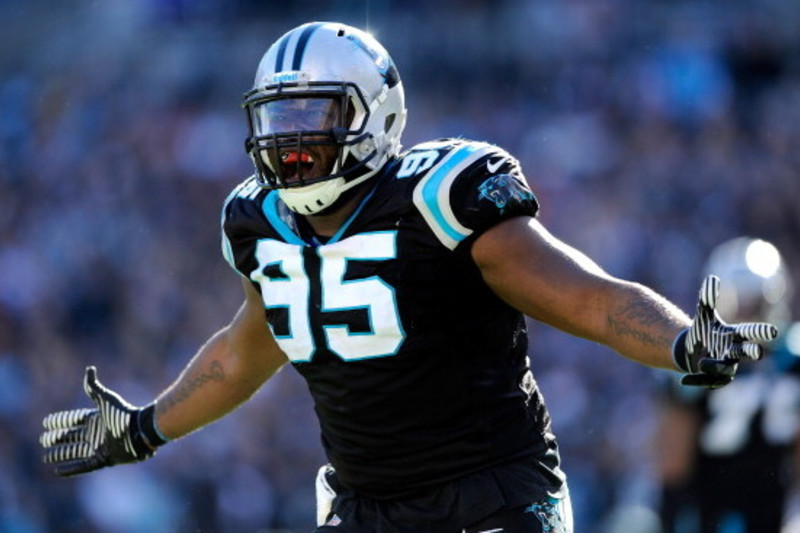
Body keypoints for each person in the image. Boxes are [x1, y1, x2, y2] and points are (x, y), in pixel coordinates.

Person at [40, 22, 778, 533]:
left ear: (371, 114)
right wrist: (142, 427)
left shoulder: (439, 198)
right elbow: (243, 352)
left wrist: (685, 344)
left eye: (312, 114)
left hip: (493, 494)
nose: (290, 137)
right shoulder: (257, 221)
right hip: (368, 505)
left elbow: (587, 298)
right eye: (278, 117)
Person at [658, 237, 800, 533]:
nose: (746, 312)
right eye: (741, 300)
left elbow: (673, 461)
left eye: (753, 300)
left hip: (720, 508)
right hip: (747, 505)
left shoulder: (699, 359)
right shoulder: (792, 356)